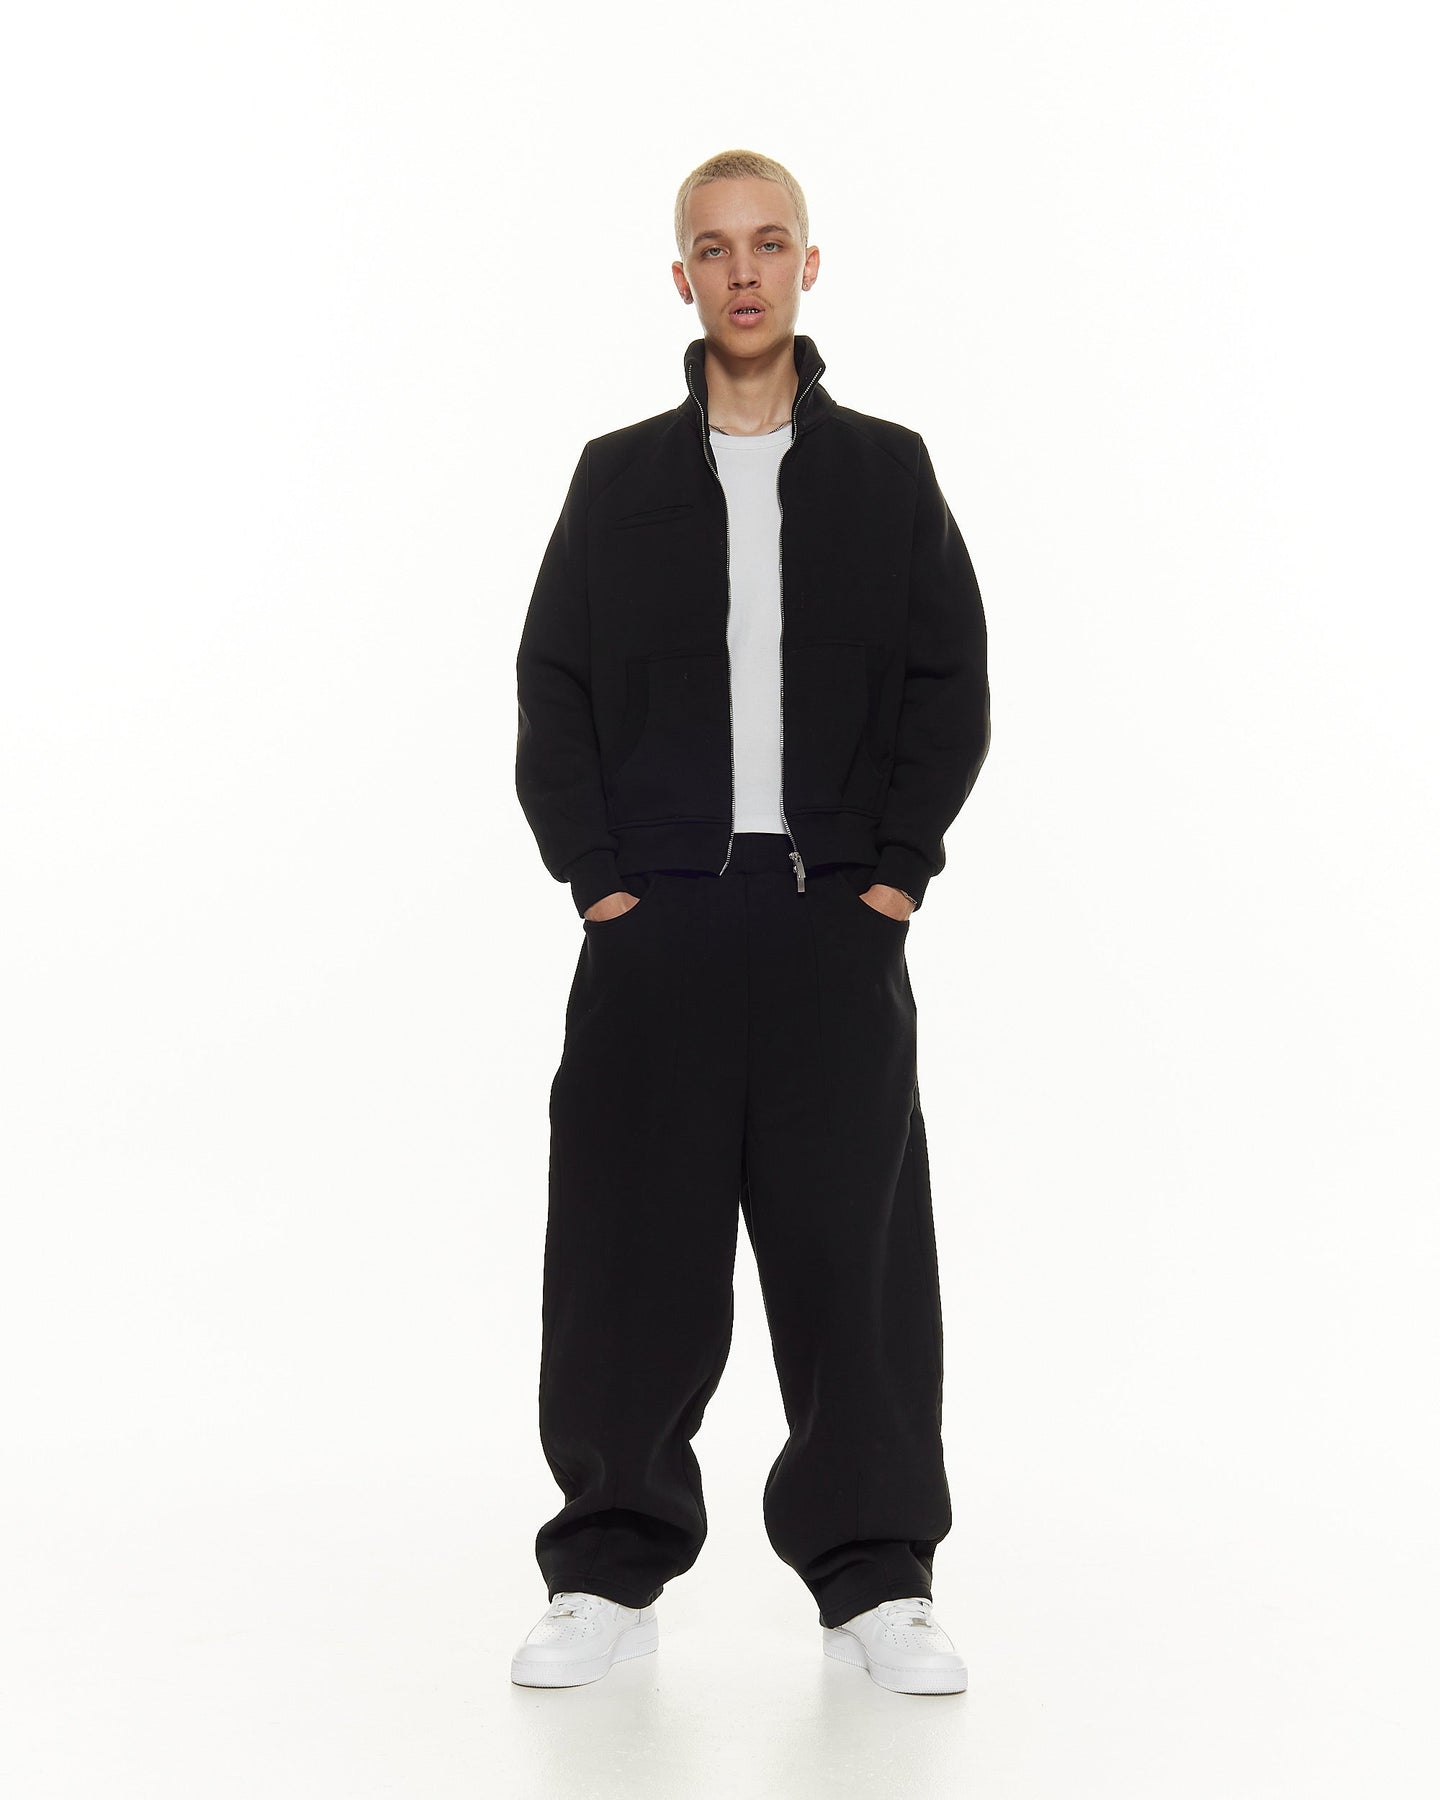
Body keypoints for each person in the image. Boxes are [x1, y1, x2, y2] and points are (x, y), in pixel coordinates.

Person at [510, 148, 990, 1695]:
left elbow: (950, 683)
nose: (742, 271)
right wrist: (600, 880)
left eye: (768, 243)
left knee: (854, 1263)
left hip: (830, 922)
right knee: (627, 1259)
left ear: (807, 265)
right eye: (713, 249)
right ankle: (605, 1569)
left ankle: (879, 1581)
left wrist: (894, 876)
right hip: (656, 927)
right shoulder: (616, 480)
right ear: (681, 278)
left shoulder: (889, 475)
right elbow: (552, 687)